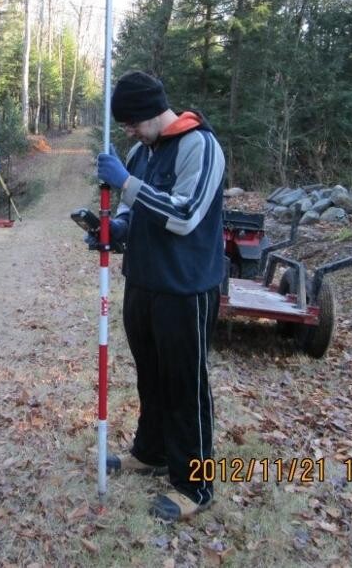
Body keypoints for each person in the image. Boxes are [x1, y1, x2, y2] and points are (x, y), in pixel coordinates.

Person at [94, 70, 225, 521]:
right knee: (150, 377)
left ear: (150, 111)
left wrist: (126, 183)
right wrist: (112, 230)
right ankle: (150, 453)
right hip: (144, 283)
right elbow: (136, 212)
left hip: (185, 289)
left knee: (185, 387)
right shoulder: (140, 151)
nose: (127, 131)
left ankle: (196, 485)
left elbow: (185, 214)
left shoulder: (200, 146)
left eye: (131, 121)